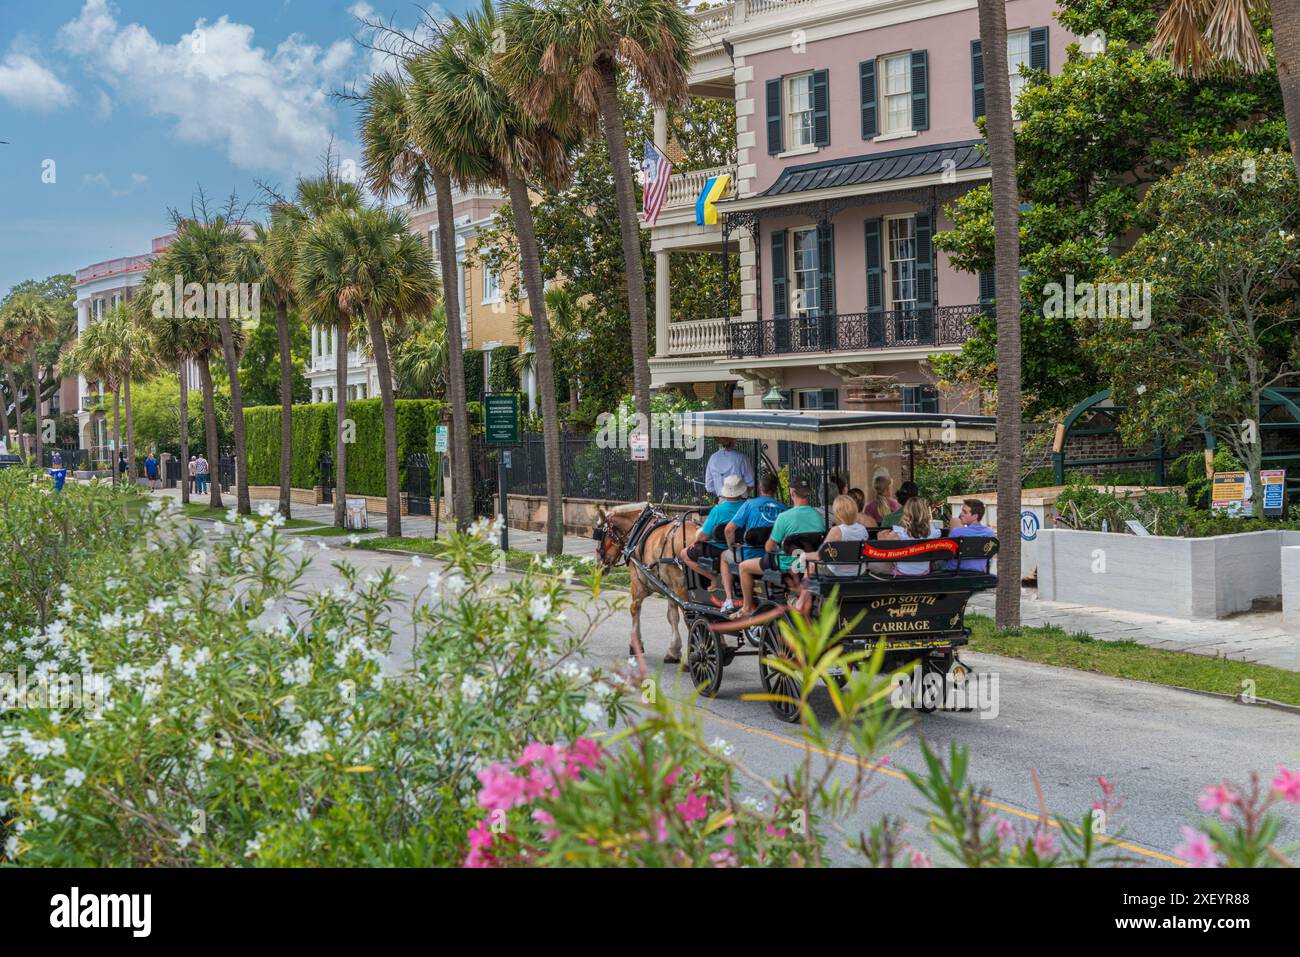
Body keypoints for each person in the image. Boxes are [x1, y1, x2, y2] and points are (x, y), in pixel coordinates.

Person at [733, 479, 825, 618]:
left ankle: (746, 608)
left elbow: (769, 547)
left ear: (792, 492)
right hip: (808, 566)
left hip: (786, 564)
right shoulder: (819, 517)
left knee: (743, 567)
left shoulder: (784, 517)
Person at [719, 473, 787, 613]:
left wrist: (732, 548)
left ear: (761, 488)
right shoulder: (783, 508)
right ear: (775, 489)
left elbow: (728, 530)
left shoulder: (750, 504)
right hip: (774, 557)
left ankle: (729, 599)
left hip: (751, 556)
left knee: (724, 557)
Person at [680, 473, 748, 587]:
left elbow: (704, 536)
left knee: (684, 554)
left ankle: (713, 578)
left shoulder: (718, 510)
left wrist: (696, 538)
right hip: (741, 548)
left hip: (718, 549)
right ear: (741, 491)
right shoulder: (747, 506)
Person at [878, 496, 941, 576]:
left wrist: (880, 535)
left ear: (906, 512)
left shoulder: (899, 533)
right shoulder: (933, 532)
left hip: (901, 572)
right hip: (924, 572)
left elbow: (881, 545)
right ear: (924, 512)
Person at [811, 494, 869, 578]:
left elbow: (820, 554)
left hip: (837, 572)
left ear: (837, 513)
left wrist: (804, 555)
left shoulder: (836, 531)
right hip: (860, 571)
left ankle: (803, 590)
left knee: (809, 565)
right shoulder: (862, 529)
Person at [946, 498, 995, 572]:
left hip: (955, 572)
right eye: (962, 510)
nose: (961, 514)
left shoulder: (957, 532)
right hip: (978, 572)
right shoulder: (990, 533)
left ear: (975, 516)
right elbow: (990, 559)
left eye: (965, 512)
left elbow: (947, 554)